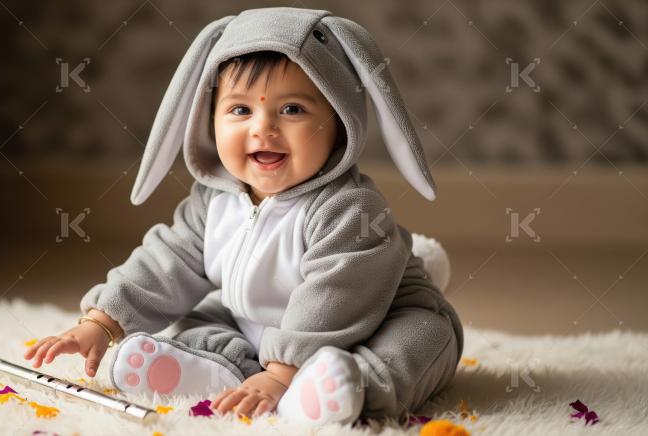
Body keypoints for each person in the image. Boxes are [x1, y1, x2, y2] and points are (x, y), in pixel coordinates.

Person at [25, 7, 463, 426]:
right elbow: (167, 262)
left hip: (371, 320)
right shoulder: (212, 201)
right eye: (240, 109)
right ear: (209, 119)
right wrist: (102, 321)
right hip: (254, 321)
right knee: (196, 320)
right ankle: (220, 371)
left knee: (422, 339)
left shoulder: (348, 208)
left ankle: (342, 389)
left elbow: (336, 297)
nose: (262, 128)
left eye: (292, 109)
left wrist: (283, 373)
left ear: (340, 122)